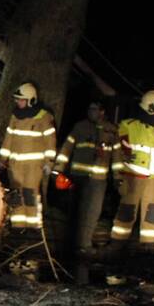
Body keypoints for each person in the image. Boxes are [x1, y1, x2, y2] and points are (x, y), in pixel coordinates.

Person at [109, 90, 154, 251]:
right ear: (151, 108)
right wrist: (118, 173)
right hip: (133, 177)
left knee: (153, 211)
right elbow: (117, 149)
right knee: (127, 210)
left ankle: (150, 245)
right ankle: (117, 244)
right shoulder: (129, 126)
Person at [51, 101, 120, 256]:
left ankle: (85, 244)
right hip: (79, 177)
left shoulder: (111, 130)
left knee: (93, 212)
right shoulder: (80, 127)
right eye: (89, 109)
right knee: (76, 211)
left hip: (98, 179)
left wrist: (117, 177)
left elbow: (117, 156)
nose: (91, 112)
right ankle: (70, 245)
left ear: (102, 112)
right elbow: (66, 148)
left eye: (94, 109)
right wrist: (58, 169)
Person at [0, 82, 57, 229]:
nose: (17, 102)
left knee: (30, 193)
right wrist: (2, 159)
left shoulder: (44, 117)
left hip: (34, 166)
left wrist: (49, 162)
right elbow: (8, 138)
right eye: (17, 99)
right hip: (15, 165)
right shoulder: (15, 116)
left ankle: (33, 225)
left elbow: (50, 141)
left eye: (21, 99)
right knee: (16, 193)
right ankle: (18, 225)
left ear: (31, 99)